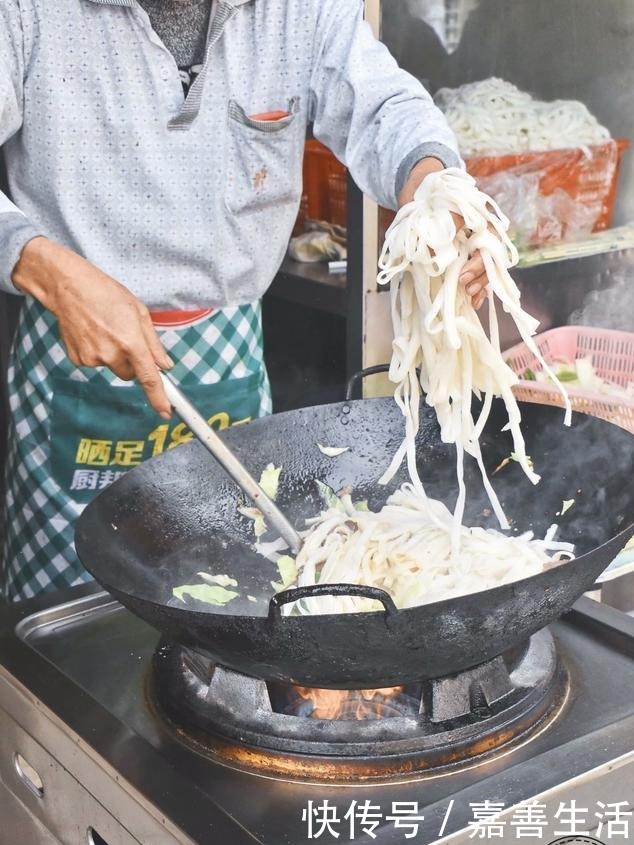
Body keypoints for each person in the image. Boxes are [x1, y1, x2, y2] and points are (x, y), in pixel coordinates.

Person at [0, 0, 489, 602]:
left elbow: (386, 108)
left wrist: (438, 190)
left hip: (227, 361)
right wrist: (45, 267)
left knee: (236, 598)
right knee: (67, 638)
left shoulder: (299, 10)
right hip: (70, 366)